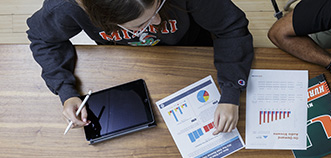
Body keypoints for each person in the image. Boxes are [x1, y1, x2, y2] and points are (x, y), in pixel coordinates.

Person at [27, 0, 253, 134]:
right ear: (104, 19)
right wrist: (66, 91)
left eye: (158, 5)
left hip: (191, 51)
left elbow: (231, 28)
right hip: (124, 63)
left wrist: (231, 91)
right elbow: (42, 38)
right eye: (142, 23)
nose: (155, 22)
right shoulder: (67, 7)